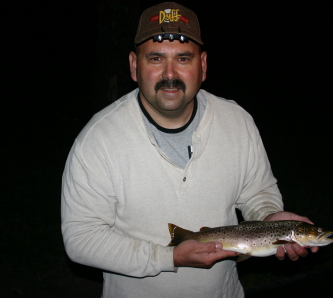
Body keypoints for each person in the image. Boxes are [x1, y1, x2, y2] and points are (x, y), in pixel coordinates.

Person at [61, 2, 319, 297]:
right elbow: (81, 239)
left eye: (183, 58)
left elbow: (258, 192)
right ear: (134, 66)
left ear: (203, 65)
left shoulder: (237, 122)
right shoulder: (99, 140)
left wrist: (270, 217)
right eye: (155, 58)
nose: (169, 74)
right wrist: (168, 257)